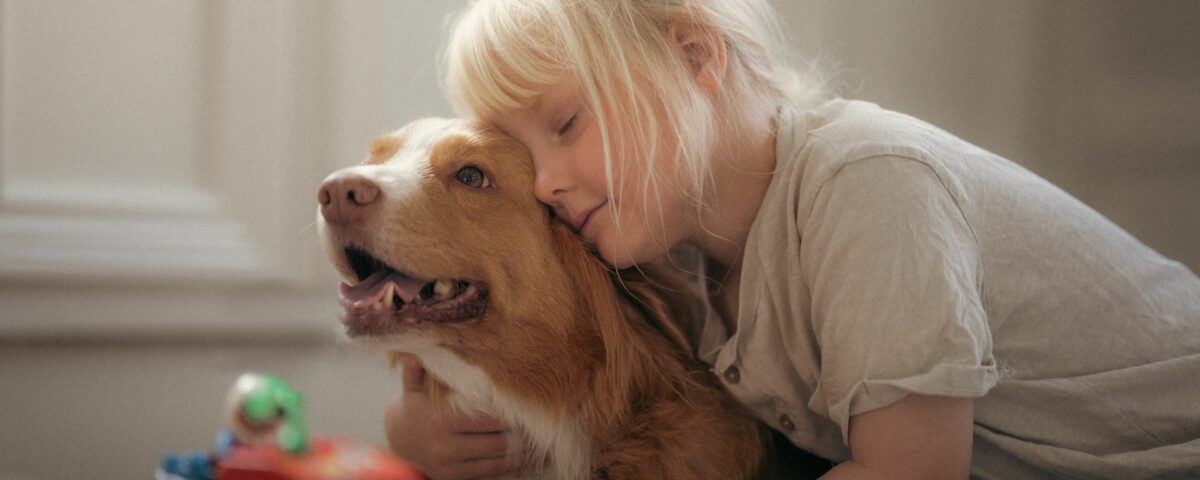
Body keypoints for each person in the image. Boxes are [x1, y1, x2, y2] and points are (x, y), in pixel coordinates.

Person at [385, 1, 1200, 478]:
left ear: (695, 56)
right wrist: (411, 430)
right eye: (525, 154)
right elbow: (612, 414)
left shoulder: (864, 184)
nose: (544, 182)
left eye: (566, 124)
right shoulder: (668, 249)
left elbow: (911, 473)